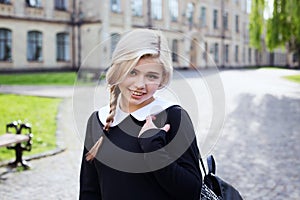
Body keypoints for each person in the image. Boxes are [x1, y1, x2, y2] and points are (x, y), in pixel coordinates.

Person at [79, 28, 202, 200]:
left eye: (151, 76)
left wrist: (153, 149)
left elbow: (192, 191)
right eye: (132, 72)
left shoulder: (174, 117)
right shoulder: (97, 120)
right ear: (118, 70)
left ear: (162, 79)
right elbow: (89, 191)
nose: (140, 85)